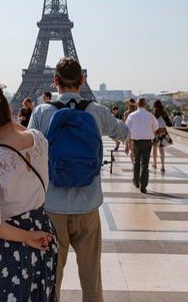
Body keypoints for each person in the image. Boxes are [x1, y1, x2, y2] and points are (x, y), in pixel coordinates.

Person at [29, 57, 130, 302]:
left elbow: (29, 154)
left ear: (55, 81)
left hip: (52, 207)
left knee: (51, 277)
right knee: (91, 276)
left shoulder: (41, 112)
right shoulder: (97, 112)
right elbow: (125, 133)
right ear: (82, 81)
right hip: (88, 205)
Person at [0, 84, 57, 302]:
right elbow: (19, 131)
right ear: (9, 112)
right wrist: (7, 119)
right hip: (41, 232)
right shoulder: (38, 140)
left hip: (5, 248)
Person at [125, 98, 158, 194]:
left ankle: (136, 181)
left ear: (137, 104)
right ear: (145, 104)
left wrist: (127, 143)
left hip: (135, 141)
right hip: (147, 142)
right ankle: (143, 185)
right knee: (145, 164)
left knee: (136, 162)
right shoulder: (150, 116)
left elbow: (127, 129)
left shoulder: (132, 115)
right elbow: (155, 128)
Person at [151, 100, 172, 173]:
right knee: (161, 149)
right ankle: (162, 166)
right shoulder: (164, 112)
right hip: (163, 131)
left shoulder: (154, 113)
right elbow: (169, 123)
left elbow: (151, 123)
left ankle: (155, 163)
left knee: (154, 149)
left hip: (156, 132)